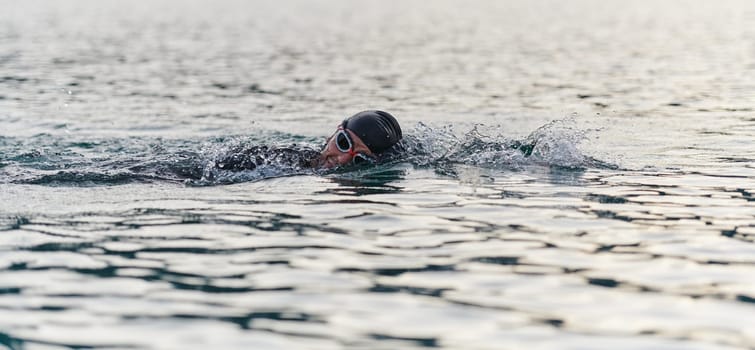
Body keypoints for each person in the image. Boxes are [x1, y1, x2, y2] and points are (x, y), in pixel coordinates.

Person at [214, 110, 403, 172]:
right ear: (332, 136)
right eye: (343, 143)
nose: (344, 159)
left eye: (360, 159)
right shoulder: (278, 160)